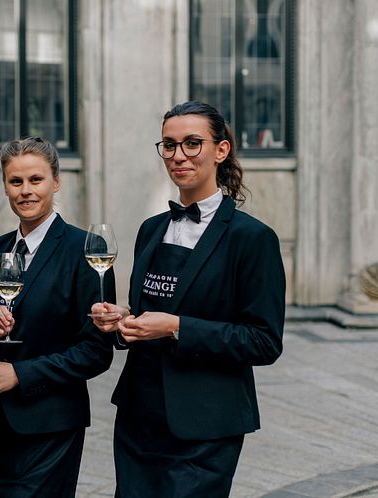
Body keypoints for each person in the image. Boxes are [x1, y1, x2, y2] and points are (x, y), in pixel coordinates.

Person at [91, 101, 285, 497]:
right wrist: (123, 322)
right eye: (169, 145)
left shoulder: (252, 239)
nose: (178, 156)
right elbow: (147, 312)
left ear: (221, 150)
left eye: (192, 144)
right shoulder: (151, 229)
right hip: (139, 416)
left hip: (206, 424)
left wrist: (177, 328)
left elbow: (264, 341)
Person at [0, 136, 115, 497]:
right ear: (5, 185)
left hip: (49, 427)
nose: (25, 191)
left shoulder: (86, 252)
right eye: (15, 181)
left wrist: (20, 374)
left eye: (36, 180)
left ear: (56, 181)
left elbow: (96, 352)